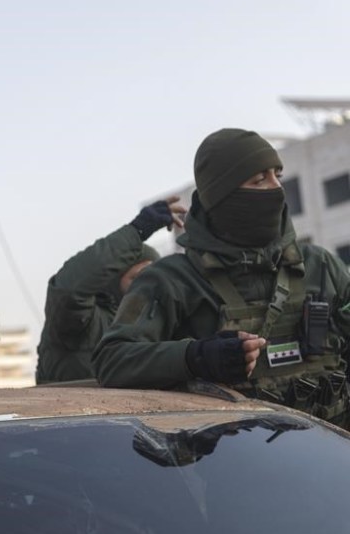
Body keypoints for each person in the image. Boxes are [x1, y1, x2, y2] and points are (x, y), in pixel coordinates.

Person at [92, 128, 350, 428]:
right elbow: (112, 361)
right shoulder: (172, 280)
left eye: (277, 175)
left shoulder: (319, 266)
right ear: (224, 197)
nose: (276, 188)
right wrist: (196, 357)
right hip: (230, 466)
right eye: (259, 180)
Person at [35, 196, 186, 384]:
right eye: (138, 277)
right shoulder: (83, 323)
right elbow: (68, 290)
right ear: (114, 279)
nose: (147, 285)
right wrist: (138, 230)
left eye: (152, 278)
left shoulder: (156, 325)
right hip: (70, 412)